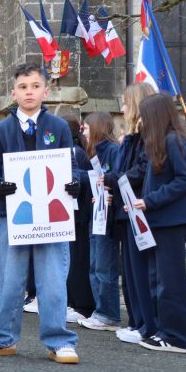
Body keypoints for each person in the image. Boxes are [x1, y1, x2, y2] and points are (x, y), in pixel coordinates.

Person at [0, 64, 82, 364]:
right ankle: (2, 337)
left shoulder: (58, 128)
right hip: (14, 216)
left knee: (53, 279)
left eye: (35, 86)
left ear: (46, 91)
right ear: (14, 92)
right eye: (23, 87)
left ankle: (59, 340)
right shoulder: (2, 129)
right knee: (11, 280)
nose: (29, 91)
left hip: (52, 217)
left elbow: (72, 167)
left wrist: (75, 183)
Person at [132, 92, 186, 352]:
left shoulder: (174, 141)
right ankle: (164, 330)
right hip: (160, 220)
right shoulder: (162, 143)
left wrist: (150, 201)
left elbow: (184, 181)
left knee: (170, 280)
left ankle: (177, 337)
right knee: (158, 277)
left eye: (144, 116)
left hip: (172, 220)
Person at [103, 83, 153, 344]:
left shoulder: (146, 136)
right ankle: (136, 321)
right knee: (131, 273)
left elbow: (141, 171)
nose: (121, 108)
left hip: (138, 210)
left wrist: (112, 179)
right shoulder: (132, 137)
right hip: (126, 209)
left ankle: (144, 324)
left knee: (139, 272)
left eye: (125, 103)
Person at [80, 111, 122, 330]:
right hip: (97, 214)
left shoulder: (113, 151)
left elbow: (119, 178)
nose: (83, 133)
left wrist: (110, 191)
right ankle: (100, 311)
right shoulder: (94, 154)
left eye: (86, 128)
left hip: (107, 216)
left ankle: (110, 314)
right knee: (95, 265)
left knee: (105, 268)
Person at [59, 108, 95, 323]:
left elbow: (83, 180)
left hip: (78, 216)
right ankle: (73, 302)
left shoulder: (76, 152)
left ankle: (82, 304)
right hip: (70, 215)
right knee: (70, 260)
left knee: (78, 261)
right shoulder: (73, 151)